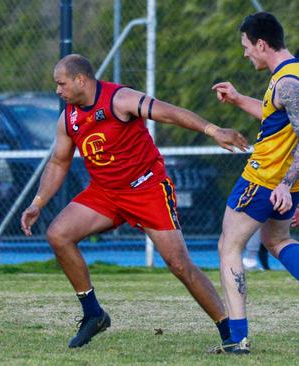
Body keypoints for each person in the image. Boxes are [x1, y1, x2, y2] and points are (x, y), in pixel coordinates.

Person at [20, 54, 249, 349]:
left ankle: (228, 333)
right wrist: (37, 202)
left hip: (147, 189)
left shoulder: (120, 98)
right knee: (58, 234)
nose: (57, 91)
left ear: (81, 79)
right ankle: (94, 314)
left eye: (61, 84)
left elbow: (168, 112)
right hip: (105, 193)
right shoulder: (69, 119)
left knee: (180, 265)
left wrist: (213, 130)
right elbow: (58, 162)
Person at [209, 12, 299, 354]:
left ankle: (238, 338)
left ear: (262, 44)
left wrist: (283, 183)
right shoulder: (289, 76)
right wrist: (237, 98)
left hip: (264, 180)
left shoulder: (289, 83)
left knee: (228, 246)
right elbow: (275, 116)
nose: (246, 53)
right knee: (276, 241)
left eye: (247, 47)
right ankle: (238, 336)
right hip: (283, 183)